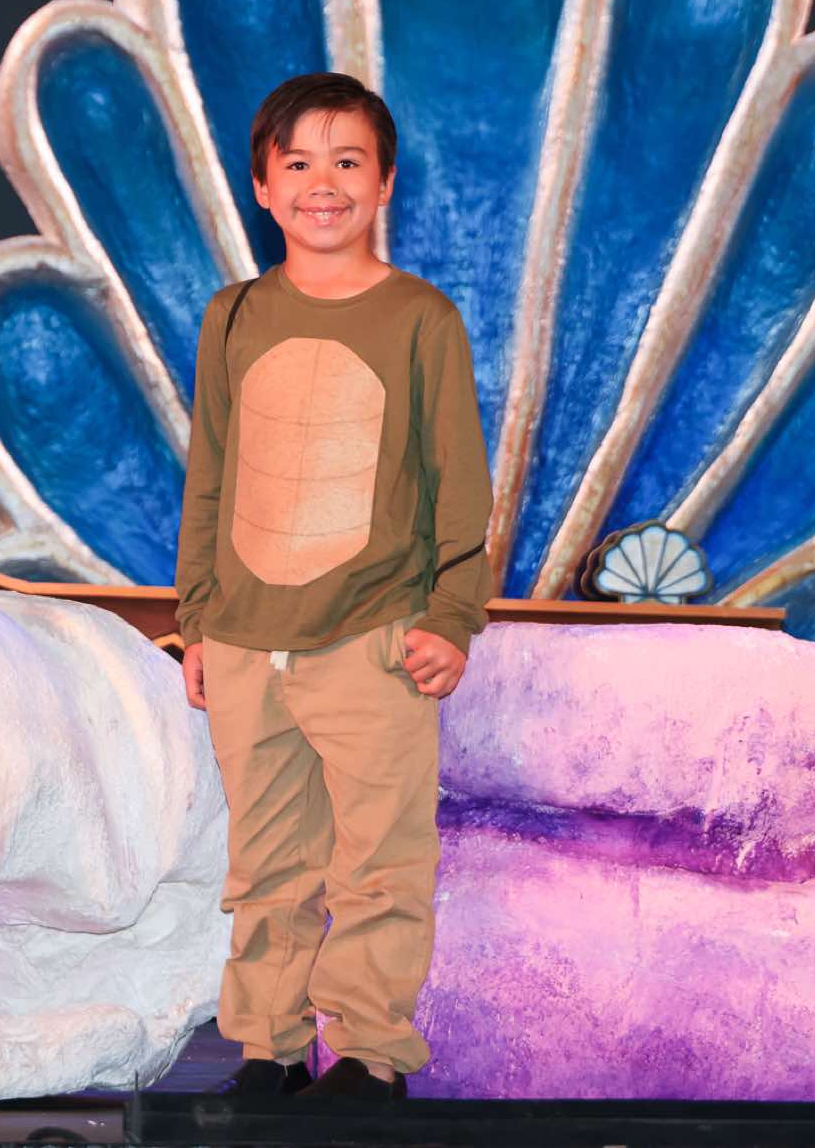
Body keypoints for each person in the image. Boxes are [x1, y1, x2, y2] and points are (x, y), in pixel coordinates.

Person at [174, 72, 493, 1101]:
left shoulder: (420, 319)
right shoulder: (232, 316)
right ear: (262, 188)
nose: (324, 183)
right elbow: (210, 475)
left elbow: (457, 480)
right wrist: (198, 621)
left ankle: (367, 1055)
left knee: (378, 860)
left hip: (372, 637)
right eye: (299, 163)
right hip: (244, 639)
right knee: (266, 862)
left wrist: (451, 614)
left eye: (348, 161)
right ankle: (265, 1050)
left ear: (385, 181)